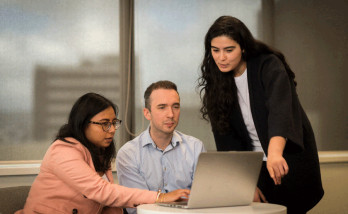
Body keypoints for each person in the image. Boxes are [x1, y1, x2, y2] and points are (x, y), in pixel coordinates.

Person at [197, 16, 324, 214]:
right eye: (215, 50)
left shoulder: (268, 65)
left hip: (286, 157)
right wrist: (244, 185)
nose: (221, 57)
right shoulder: (216, 84)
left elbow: (280, 110)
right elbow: (227, 141)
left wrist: (274, 152)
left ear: (243, 48)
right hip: (255, 168)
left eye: (229, 50)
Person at [16, 92, 189, 214]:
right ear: (83, 123)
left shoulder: (98, 151)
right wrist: (161, 197)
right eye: (105, 123)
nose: (112, 130)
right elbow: (103, 192)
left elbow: (108, 204)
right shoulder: (62, 151)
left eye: (114, 122)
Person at [116, 80, 205, 214]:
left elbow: (203, 199)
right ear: (147, 113)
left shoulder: (195, 147)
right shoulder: (128, 154)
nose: (170, 114)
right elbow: (136, 207)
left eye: (175, 106)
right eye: (162, 107)